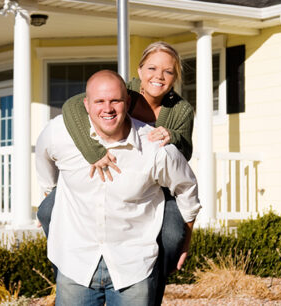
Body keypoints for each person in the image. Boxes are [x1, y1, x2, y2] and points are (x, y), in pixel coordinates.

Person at [37, 41, 194, 303]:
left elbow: (184, 154)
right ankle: (63, 265)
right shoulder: (123, 89)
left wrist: (172, 136)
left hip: (159, 186)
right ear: (140, 70)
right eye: (152, 68)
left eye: (168, 72)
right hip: (107, 171)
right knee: (46, 210)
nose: (159, 76)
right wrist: (93, 151)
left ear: (175, 76)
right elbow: (74, 106)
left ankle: (155, 280)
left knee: (171, 234)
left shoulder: (180, 110)